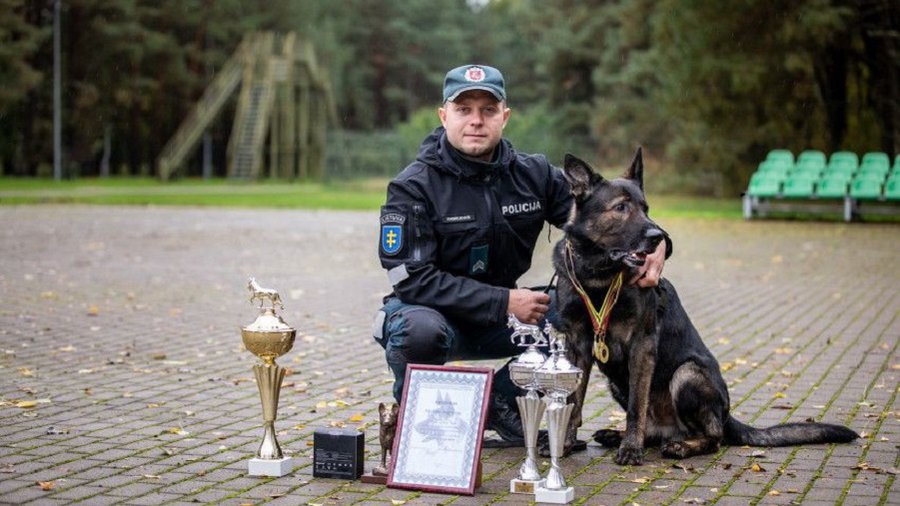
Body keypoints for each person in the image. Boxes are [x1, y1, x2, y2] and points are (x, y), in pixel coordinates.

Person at [373, 64, 670, 447]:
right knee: (418, 333)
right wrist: (504, 301)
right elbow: (411, 278)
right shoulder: (412, 186)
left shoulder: (534, 175)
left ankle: (495, 405)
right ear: (444, 116)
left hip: (505, 318)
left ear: (505, 117)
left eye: (488, 110)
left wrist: (659, 244)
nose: (476, 121)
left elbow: (607, 213)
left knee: (573, 316)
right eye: (464, 110)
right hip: (430, 313)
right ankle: (414, 417)